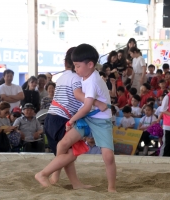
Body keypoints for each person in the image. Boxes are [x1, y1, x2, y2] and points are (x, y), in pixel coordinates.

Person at [35, 44, 116, 192]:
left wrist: (93, 104)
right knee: (70, 152)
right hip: (69, 117)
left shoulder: (79, 77)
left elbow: (81, 97)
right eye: (75, 66)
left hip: (62, 117)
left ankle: (56, 177)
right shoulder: (80, 77)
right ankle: (52, 176)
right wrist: (96, 103)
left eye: (78, 65)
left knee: (64, 147)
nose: (77, 68)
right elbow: (80, 96)